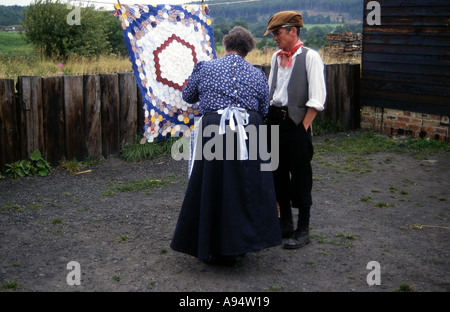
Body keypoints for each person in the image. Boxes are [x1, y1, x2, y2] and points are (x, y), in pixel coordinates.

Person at [170, 26, 282, 265]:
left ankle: (210, 244)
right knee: (246, 187)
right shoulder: (257, 74)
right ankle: (242, 244)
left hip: (216, 129)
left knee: (213, 185)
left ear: (226, 46)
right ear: (248, 50)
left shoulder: (205, 67)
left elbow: (188, 95)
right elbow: (264, 109)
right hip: (250, 130)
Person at [263, 11, 326, 249]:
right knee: (276, 174)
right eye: (273, 34)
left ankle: (303, 228)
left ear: (293, 31)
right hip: (274, 124)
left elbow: (318, 98)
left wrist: (303, 127)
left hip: (297, 125)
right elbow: (272, 93)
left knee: (301, 176)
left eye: (277, 33)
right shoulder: (275, 58)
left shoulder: (311, 57)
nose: (274, 39)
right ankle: (285, 224)